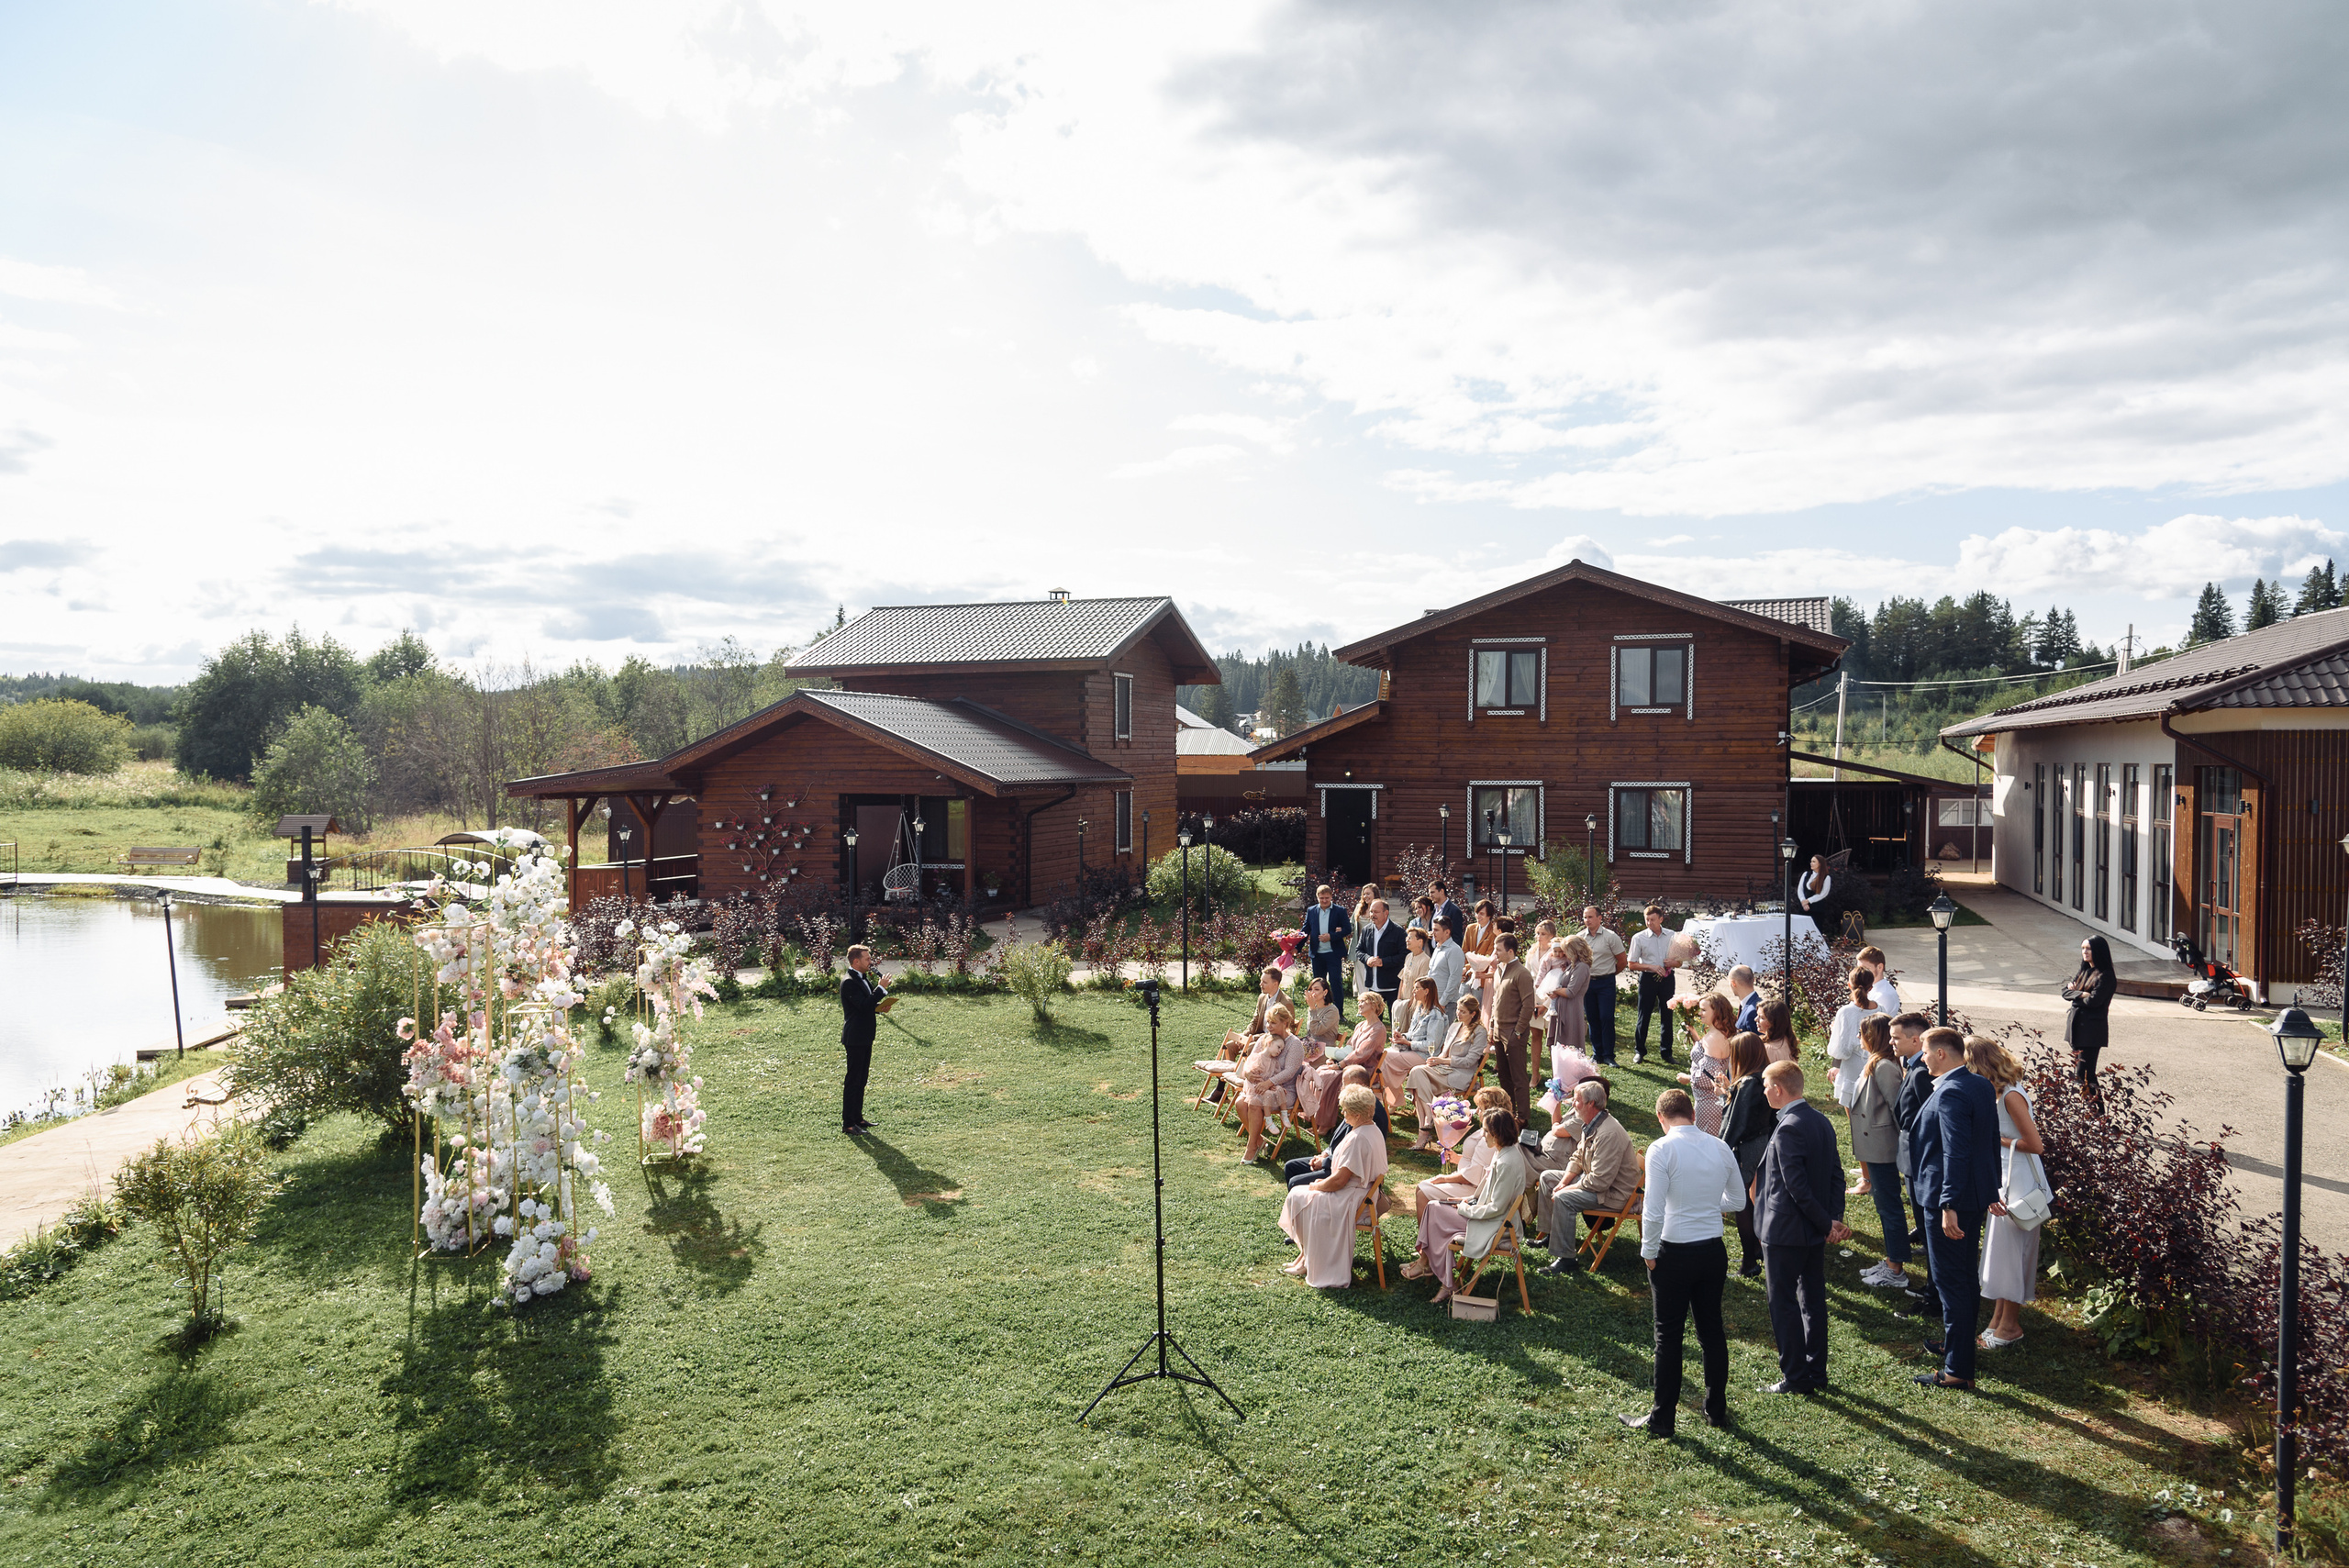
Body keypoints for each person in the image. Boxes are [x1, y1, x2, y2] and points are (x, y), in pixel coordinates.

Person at [1621, 1087, 1746, 1437]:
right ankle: (1716, 1410)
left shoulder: (1662, 1148)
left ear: (1661, 1118)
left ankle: (1662, 1420)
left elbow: (1654, 1208)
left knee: (1668, 1337)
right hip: (1711, 1252)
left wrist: (1647, 1251)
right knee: (1711, 1331)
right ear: (1692, 1113)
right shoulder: (1719, 1146)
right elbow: (1737, 1200)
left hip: (1673, 1252)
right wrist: (1706, 1202)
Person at [1910, 1025, 2000, 1389]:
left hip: (1949, 1200)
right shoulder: (1978, 1083)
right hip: (1973, 1196)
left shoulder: (1950, 1092)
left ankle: (1957, 1370)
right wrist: (1990, 1189)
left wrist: (1948, 1203)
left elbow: (1957, 1151)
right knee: (1962, 1278)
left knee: (1952, 1281)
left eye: (1926, 1051)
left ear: (1942, 1054)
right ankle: (1956, 1344)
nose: (1922, 1057)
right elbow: (1988, 1140)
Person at [1754, 1061, 1851, 1394]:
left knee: (1783, 1304)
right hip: (1812, 1232)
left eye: (1766, 1085)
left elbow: (1796, 1188)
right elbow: (1836, 1175)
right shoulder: (1820, 1120)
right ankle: (1816, 1371)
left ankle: (1796, 1376)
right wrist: (1833, 1219)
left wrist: (1828, 1223)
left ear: (1779, 1089)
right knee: (1812, 1301)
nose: (1764, 1091)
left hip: (1785, 1232)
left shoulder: (1789, 1127)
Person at [1405, 1107, 1531, 1306]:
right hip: (1486, 1214)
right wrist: (1467, 1201)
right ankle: (1437, 1272)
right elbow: (1487, 1194)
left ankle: (1439, 1275)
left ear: (1498, 1133)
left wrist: (1465, 1209)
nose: (1483, 1135)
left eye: (1486, 1131)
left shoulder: (1507, 1161)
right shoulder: (1503, 1152)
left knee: (1434, 1211)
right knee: (1433, 1208)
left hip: (1495, 1225)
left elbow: (1496, 1208)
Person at [1970, 1034, 2046, 1350]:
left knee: (2013, 1257)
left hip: (2019, 1183)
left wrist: (1993, 1138)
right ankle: (1998, 1321)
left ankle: (2010, 1326)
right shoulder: (1999, 1092)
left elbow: (2036, 1145)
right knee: (2002, 1255)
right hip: (2005, 1178)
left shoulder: (2011, 1096)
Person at [1280, 1083, 1391, 1286]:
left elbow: (1340, 1180)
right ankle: (1306, 1255)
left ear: (1357, 1115)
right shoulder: (1371, 1129)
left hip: (1355, 1199)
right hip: (1362, 1193)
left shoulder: (1359, 1138)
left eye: (1346, 1110)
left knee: (1298, 1196)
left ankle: (1310, 1258)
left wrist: (1317, 1186)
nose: (1342, 1112)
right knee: (1298, 1194)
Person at [1537, 1079, 1638, 1273]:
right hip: (1598, 1183)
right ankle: (1552, 1235)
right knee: (1548, 1178)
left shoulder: (1608, 1133)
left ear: (1591, 1104)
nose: (1573, 1104)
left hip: (1613, 1194)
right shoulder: (1591, 1123)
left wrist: (1565, 1188)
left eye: (1577, 1100)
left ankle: (1567, 1259)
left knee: (1563, 1198)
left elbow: (1598, 1182)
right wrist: (1564, 1181)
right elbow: (1577, 1157)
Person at [1849, 1015, 1912, 1288]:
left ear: (1872, 1036)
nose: (1858, 1038)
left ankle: (1896, 1268)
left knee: (1889, 1206)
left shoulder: (1884, 1066)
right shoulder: (1875, 1062)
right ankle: (1891, 1260)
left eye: (1862, 1033)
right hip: (1875, 1146)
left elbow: (1899, 1109)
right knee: (1883, 1204)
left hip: (1882, 1147)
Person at [1888, 1011, 1938, 1308]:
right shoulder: (1912, 1065)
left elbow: (1926, 1118)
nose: (1891, 1042)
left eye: (1896, 1038)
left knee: (1927, 1227)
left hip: (1919, 1159)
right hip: (1912, 1158)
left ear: (1915, 1039)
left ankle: (1934, 1290)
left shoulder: (1921, 1072)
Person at [1717, 1030, 1774, 1278]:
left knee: (1742, 1204)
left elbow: (1737, 1123)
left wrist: (1720, 1148)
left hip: (1749, 1147)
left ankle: (1749, 1262)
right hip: (1762, 1142)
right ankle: (1757, 1249)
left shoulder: (1749, 1083)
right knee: (1754, 1200)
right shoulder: (1764, 1076)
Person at [1404, 994, 1489, 1148]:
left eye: (1463, 1011)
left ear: (1473, 1014)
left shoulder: (1480, 1032)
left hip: (1460, 1074)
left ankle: (1425, 1128)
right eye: (1458, 1010)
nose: (1458, 1013)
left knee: (1417, 1077)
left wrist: (1442, 1061)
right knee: (1418, 1074)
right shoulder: (1455, 1025)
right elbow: (1444, 1052)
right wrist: (1436, 1060)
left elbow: (1470, 1061)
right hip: (1443, 1069)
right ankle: (1428, 1121)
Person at [1284, 1066, 1391, 1187]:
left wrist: (1324, 1163)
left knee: (1295, 1183)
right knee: (1291, 1167)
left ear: (1358, 1084)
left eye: (1344, 1084)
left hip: (1347, 1172)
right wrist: (1324, 1154)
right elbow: (1339, 1141)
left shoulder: (1368, 1112)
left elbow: (1355, 1158)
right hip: (1336, 1160)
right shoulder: (1356, 1104)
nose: (1341, 1088)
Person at [1416, 1084, 1514, 1208]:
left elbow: (1473, 1176)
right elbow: (1479, 1163)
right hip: (1468, 1182)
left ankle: (1429, 1227)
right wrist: (1457, 1158)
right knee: (1421, 1188)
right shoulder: (1490, 1130)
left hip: (1475, 1190)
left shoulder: (1492, 1138)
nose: (1477, 1111)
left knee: (1422, 1192)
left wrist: (1445, 1178)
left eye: (1480, 1108)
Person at [1234, 1005, 1308, 1163]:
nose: (1268, 1026)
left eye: (1273, 1023)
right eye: (1268, 1022)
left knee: (1254, 1104)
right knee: (1240, 1103)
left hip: (1284, 1090)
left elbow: (1289, 1071)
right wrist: (1247, 1072)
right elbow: (1250, 1060)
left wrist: (1269, 1083)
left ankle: (1251, 1147)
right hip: (1260, 1085)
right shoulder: (1265, 1038)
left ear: (1285, 1022)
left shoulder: (1295, 1044)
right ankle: (1259, 1141)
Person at [1314, 994, 1389, 1137]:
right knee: (1321, 1070)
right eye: (1359, 1001)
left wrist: (1340, 1065)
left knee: (1329, 1076)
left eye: (1363, 1002)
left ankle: (1326, 1124)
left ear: (1373, 1005)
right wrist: (1334, 1059)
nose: (1359, 1004)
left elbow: (1362, 1053)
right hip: (1350, 1063)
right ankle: (1317, 1118)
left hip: (1364, 1070)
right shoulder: (1360, 1025)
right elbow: (1349, 1047)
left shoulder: (1378, 1029)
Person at [839, 943, 890, 1135]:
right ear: (856, 961)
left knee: (862, 1079)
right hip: (854, 1037)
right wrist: (881, 988)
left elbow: (868, 1005)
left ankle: (858, 1117)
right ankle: (848, 1124)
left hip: (865, 1036)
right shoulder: (849, 981)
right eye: (867, 959)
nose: (871, 962)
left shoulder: (863, 979)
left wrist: (879, 1006)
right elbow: (860, 1006)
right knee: (853, 1080)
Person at [1487, 932, 1538, 1122]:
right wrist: (1492, 1027)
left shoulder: (1522, 973)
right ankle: (1508, 1112)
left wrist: (1518, 1031)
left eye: (1498, 950)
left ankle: (1522, 1118)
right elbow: (1495, 1002)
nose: (1495, 953)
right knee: (1504, 1076)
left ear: (1510, 951)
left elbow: (1528, 1005)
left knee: (1519, 1078)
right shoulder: (1499, 970)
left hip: (1514, 1033)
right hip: (1499, 1031)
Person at [1381, 977, 1449, 1115]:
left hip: (1425, 1056)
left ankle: (1394, 1100)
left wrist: (1409, 1043)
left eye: (1417, 988)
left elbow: (1432, 1044)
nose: (1413, 991)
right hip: (1413, 1051)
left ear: (1426, 991)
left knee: (1385, 1059)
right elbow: (1413, 1033)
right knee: (1383, 1055)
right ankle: (1395, 1099)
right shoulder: (1420, 1009)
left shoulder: (1435, 1014)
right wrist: (1402, 1036)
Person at [1625, 904, 1678, 1065]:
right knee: (1644, 1015)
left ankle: (1666, 1052)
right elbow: (1631, 964)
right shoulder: (1639, 938)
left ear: (1661, 919)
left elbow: (1681, 962)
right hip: (1648, 979)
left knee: (1667, 1015)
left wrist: (1674, 962)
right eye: (1647, 920)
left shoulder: (1672, 935)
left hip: (1668, 979)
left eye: (1652, 920)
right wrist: (1651, 966)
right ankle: (1639, 1051)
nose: (1649, 923)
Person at [1676, 994, 1736, 1137]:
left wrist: (1687, 1078)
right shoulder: (1719, 1033)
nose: (1699, 1013)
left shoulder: (1714, 1038)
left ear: (1716, 1011)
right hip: (1711, 1102)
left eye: (1703, 1010)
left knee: (1705, 1145)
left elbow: (1706, 1078)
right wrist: (1695, 1036)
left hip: (1709, 1104)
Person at [2063, 936, 2117, 1092]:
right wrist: (2082, 994)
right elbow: (2065, 992)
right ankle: (2089, 1111)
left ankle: (2096, 1112)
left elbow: (2094, 1002)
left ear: (2098, 951)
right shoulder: (2084, 971)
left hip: (2091, 1032)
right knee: (2080, 1074)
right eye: (2082, 948)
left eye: (2088, 948)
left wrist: (2077, 994)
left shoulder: (2106, 976)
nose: (2084, 952)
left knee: (2086, 1074)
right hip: (2077, 1029)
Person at [1826, 967, 1880, 1116]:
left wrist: (1834, 1032)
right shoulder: (1880, 1009)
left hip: (1852, 1067)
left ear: (1849, 985)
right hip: (1875, 1063)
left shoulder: (1845, 1012)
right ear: (1871, 987)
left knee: (1854, 1118)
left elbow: (1841, 1049)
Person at [1293, 976, 1343, 1125]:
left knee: (1294, 1061)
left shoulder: (1332, 1010)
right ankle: (1295, 1102)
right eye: (1311, 989)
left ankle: (1299, 1104)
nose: (1313, 993)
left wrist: (1312, 1009)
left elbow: (1317, 1030)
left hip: (1324, 1048)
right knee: (1288, 1051)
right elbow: (1311, 1033)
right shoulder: (1314, 1007)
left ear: (1325, 992)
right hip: (1312, 1045)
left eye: (1317, 989)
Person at [1580, 906, 1627, 1066]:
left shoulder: (1611, 937)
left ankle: (1608, 1056)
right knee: (1592, 1019)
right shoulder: (1580, 938)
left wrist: (1610, 974)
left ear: (1600, 918)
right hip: (1587, 984)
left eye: (1590, 917)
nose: (1587, 920)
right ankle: (1597, 1054)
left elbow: (1622, 961)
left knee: (1606, 1018)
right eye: (1585, 917)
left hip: (1606, 983)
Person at [1544, 933, 1592, 1088]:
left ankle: (1573, 1084)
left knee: (1570, 1046)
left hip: (1571, 1011)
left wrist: (1555, 990)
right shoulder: (1572, 965)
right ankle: (1562, 1083)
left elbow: (1571, 992)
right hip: (1562, 1008)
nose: (1564, 954)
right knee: (1561, 1047)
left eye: (1566, 950)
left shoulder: (1582, 967)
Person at [1298, 885, 1353, 1018]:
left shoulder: (1339, 911)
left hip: (1333, 953)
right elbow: (1305, 930)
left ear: (1331, 897)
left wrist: (1331, 936)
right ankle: (1320, 1011)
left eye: (1326, 898)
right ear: (1317, 898)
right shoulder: (1311, 911)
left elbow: (1347, 929)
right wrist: (1296, 947)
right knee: (1318, 985)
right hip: (1317, 955)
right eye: (1321, 898)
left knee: (1335, 982)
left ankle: (1339, 1013)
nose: (1324, 901)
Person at [1355, 897, 1408, 1017]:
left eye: (1376, 912)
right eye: (1371, 911)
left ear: (1386, 913)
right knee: (1374, 1022)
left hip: (1391, 985)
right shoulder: (1366, 930)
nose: (1372, 915)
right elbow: (1359, 950)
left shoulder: (1398, 932)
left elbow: (1404, 955)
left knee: (1395, 1023)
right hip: (1372, 985)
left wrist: (1383, 962)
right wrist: (1367, 959)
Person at [1390, 927, 1434, 1035]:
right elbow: (1402, 979)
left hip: (1415, 1003)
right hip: (1403, 1002)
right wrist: (1398, 1000)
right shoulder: (1408, 957)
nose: (1406, 940)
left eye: (1410, 938)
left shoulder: (1426, 960)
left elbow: (1420, 985)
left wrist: (1411, 1002)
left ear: (1420, 942)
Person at [1428, 916, 1465, 1018]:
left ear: (1447, 932)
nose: (1433, 932)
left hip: (1447, 1004)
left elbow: (1455, 978)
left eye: (1436, 930)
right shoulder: (1438, 948)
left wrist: (1443, 1002)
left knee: (1445, 1034)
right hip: (1434, 1001)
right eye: (1432, 929)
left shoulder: (1454, 950)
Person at [1351, 883, 1381, 997]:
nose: (1365, 896)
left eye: (1368, 894)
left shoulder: (1381, 907)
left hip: (1374, 947)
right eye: (1364, 894)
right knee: (1360, 974)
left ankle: (1373, 1000)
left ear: (1375, 895)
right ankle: (1362, 1000)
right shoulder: (1359, 908)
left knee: (1372, 975)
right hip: (1361, 947)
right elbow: (1352, 925)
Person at [1858, 945, 1901, 1016]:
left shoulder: (1884, 995)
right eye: (1859, 969)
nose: (1860, 973)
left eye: (1865, 969)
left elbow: (1870, 1024)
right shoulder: (1872, 988)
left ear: (1880, 967)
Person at [1798, 853, 1832, 934]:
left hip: (1817, 909)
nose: (1811, 863)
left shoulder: (1826, 878)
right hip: (1804, 908)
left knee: (1815, 931)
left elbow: (1823, 894)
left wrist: (1809, 901)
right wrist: (1803, 901)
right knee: (1801, 930)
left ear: (1820, 864)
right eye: (1811, 861)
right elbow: (1800, 890)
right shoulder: (1806, 874)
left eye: (1814, 862)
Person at [1759, 997, 1799, 1064]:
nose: (1755, 1019)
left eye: (1762, 1018)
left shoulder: (1769, 1049)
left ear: (1772, 1022)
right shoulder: (1787, 1041)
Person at [1431, 881, 1466, 948]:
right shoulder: (1435, 909)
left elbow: (1457, 937)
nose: (1430, 895)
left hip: (1447, 952)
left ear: (1441, 891)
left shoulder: (1454, 910)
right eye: (1430, 893)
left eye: (1432, 892)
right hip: (1435, 952)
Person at [1728, 965, 1761, 1035]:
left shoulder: (1753, 1011)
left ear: (1733, 983)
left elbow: (1758, 1044)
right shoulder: (1753, 1005)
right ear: (1753, 980)